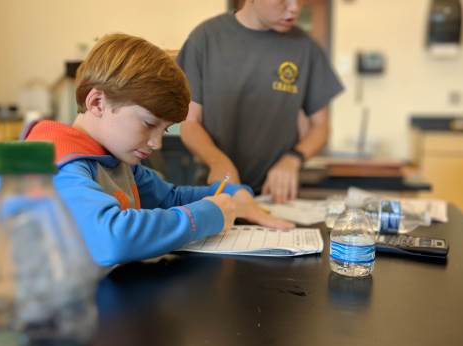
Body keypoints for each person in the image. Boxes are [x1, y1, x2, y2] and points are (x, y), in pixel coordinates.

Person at [23, 33, 293, 267]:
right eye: (148, 123)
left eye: (163, 130)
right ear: (97, 103)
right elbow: (112, 239)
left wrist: (232, 195)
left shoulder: (115, 160)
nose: (157, 143)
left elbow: (170, 198)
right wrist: (206, 216)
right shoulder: (59, 164)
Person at [177, 0, 343, 203]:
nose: (294, 8)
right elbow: (190, 123)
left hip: (276, 195)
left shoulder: (306, 47)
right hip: (216, 191)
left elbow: (321, 127)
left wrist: (293, 159)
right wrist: (218, 162)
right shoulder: (205, 38)